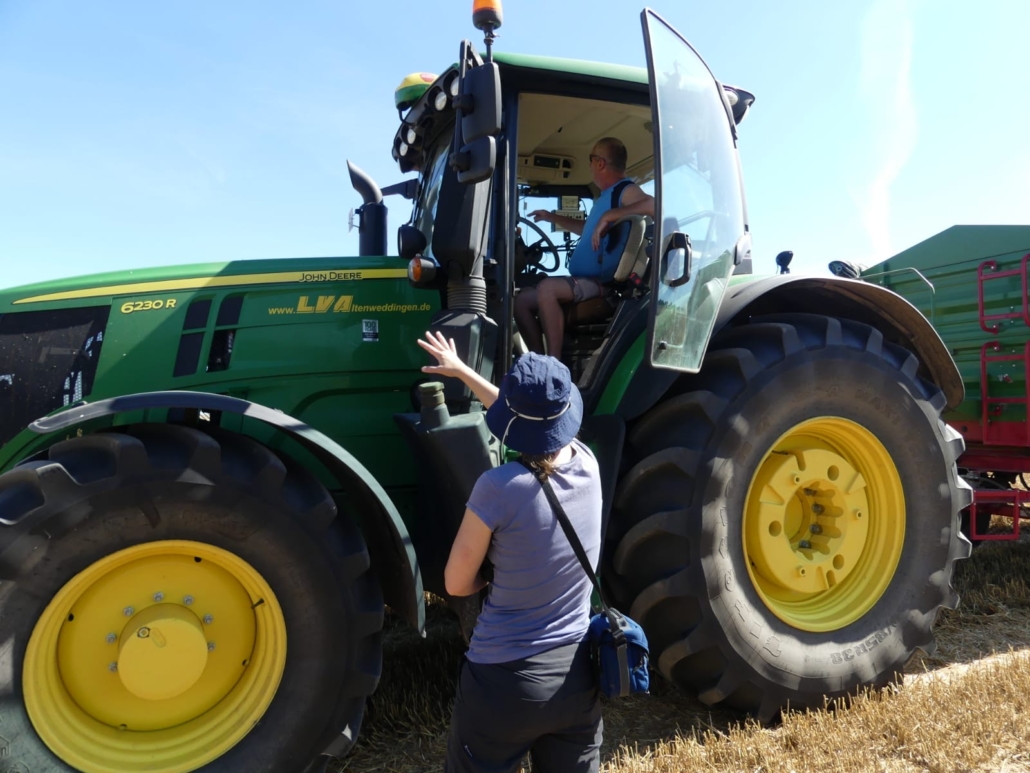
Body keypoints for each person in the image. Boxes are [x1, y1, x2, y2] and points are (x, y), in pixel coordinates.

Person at [417, 330, 604, 773]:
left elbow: (456, 583)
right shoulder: (588, 463)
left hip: (503, 682)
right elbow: (537, 421)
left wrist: (494, 573)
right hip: (577, 677)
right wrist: (463, 371)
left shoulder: (497, 489)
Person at [517, 137, 655, 360]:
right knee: (521, 301)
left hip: (601, 284)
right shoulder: (605, 198)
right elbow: (586, 230)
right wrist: (551, 216)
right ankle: (537, 361)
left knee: (547, 288)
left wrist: (611, 215)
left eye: (591, 160)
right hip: (582, 281)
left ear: (600, 163)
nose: (589, 166)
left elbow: (653, 205)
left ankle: (554, 364)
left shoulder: (624, 190)